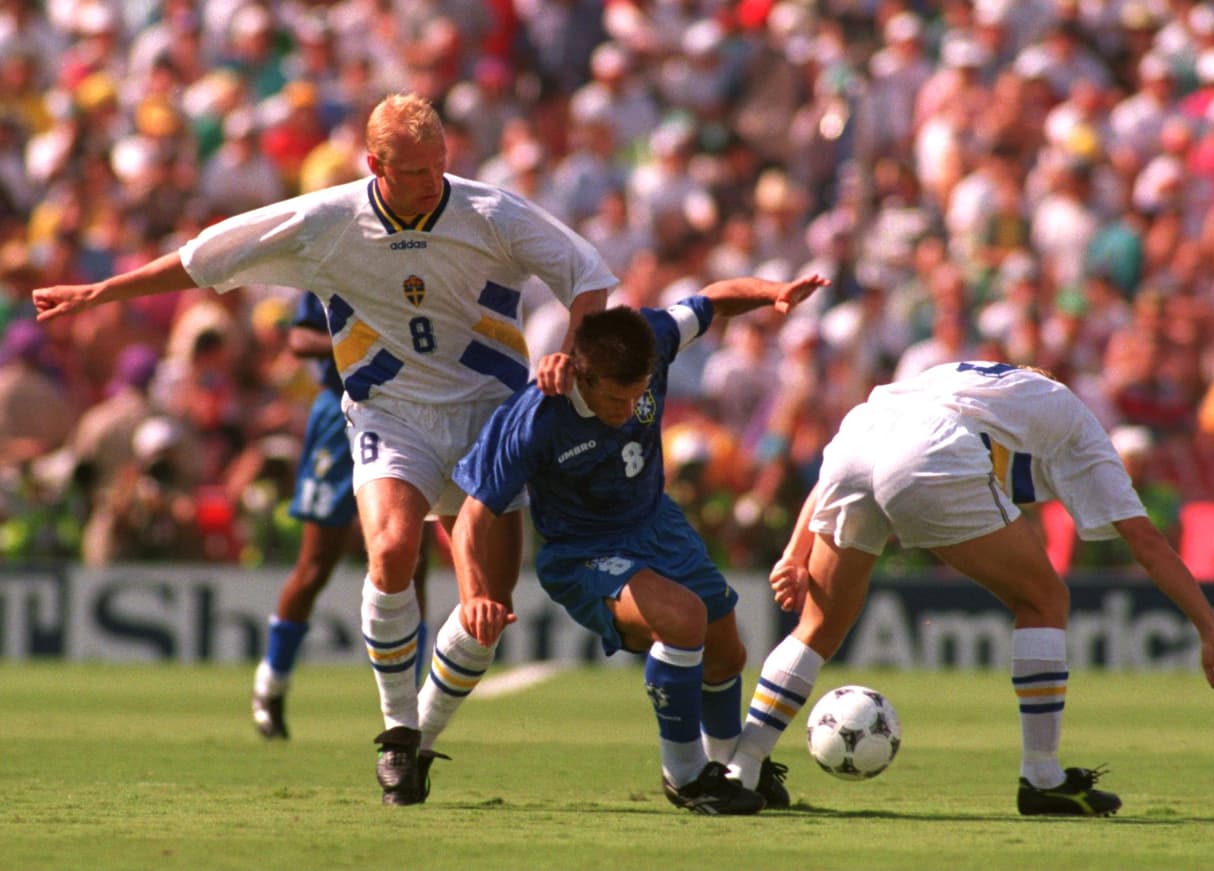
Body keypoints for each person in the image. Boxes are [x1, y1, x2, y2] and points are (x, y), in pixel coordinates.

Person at [33, 92, 615, 806]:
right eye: (416, 171)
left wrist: (572, 353)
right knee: (393, 549)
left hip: (488, 418)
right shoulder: (327, 220)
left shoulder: (491, 212)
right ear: (376, 164)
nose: (435, 181)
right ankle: (397, 731)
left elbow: (589, 276)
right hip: (389, 412)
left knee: (486, 609)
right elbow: (205, 256)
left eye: (440, 166)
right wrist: (100, 293)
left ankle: (424, 737)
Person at [727, 361, 1214, 816]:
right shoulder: (1075, 418)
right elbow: (1146, 542)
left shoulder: (959, 377)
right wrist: (1211, 627)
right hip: (929, 452)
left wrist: (795, 553)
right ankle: (1042, 778)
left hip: (855, 438)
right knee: (1044, 600)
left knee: (819, 624)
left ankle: (742, 770)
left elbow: (852, 460)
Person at [449, 273, 829, 814]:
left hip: (657, 524)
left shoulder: (650, 336)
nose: (629, 408)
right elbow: (470, 521)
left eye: (638, 393)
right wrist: (474, 596)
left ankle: (734, 769)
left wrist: (772, 292)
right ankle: (687, 776)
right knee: (683, 618)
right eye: (616, 397)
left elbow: (714, 301)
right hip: (582, 553)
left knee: (728, 649)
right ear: (582, 376)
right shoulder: (534, 419)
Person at [250, 291, 431, 741]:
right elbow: (300, 339)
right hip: (342, 415)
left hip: (407, 417)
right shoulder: (340, 255)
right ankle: (271, 683)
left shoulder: (421, 258)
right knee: (316, 565)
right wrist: (365, 343)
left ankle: (410, 701)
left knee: (415, 563)